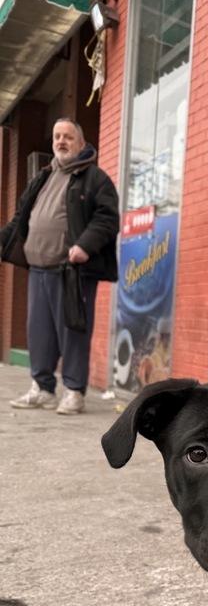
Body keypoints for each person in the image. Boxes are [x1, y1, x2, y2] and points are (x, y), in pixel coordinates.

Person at [0, 118, 119, 414]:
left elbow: (107, 218)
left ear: (80, 142)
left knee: (73, 331)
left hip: (72, 270)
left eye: (68, 136)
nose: (61, 141)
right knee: (39, 332)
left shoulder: (95, 178)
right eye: (57, 136)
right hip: (38, 269)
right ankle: (42, 388)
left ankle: (74, 391)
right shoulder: (42, 177)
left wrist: (84, 246)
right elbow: (20, 218)